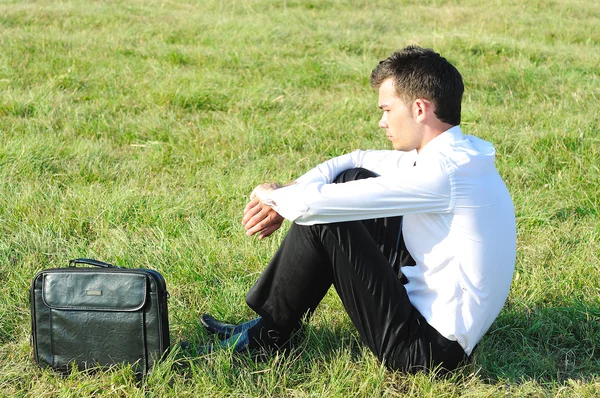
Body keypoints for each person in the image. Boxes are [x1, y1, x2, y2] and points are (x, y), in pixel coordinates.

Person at [199, 45, 517, 373]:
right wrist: (287, 190)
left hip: (427, 353)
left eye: (387, 109)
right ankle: (270, 330)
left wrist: (271, 196)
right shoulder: (454, 154)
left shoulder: (443, 175)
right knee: (351, 179)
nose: (382, 122)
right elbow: (356, 160)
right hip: (428, 317)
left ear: (419, 109)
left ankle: (266, 338)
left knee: (327, 218)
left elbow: (313, 206)